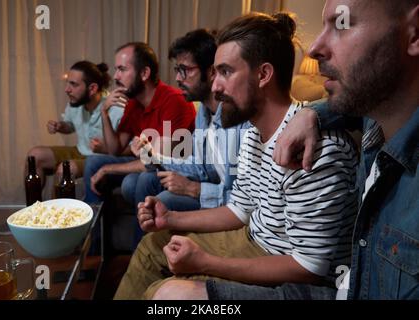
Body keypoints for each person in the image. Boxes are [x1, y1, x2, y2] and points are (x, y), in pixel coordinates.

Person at [114, 12, 359, 300]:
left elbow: (309, 268)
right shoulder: (253, 134)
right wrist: (170, 218)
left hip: (290, 269)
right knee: (152, 245)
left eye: (226, 72)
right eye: (215, 73)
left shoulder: (315, 150)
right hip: (253, 238)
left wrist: (204, 264)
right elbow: (239, 210)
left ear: (263, 75)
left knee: (164, 293)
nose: (215, 87)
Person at [270, 0, 419, 300]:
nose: (313, 48)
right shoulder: (373, 115)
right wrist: (310, 113)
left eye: (342, 24)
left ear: (414, 34)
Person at [125, 29, 251, 246]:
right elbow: (201, 166)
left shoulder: (238, 120)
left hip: (230, 206)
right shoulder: (203, 113)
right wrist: (154, 157)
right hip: (215, 189)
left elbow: (245, 199)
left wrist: (194, 189)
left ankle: (150, 252)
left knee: (164, 200)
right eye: (177, 69)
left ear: (211, 72)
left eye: (185, 70)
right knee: (147, 180)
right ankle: (142, 248)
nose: (177, 78)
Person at [83, 42, 196, 204]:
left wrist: (108, 169)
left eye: (122, 69)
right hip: (149, 162)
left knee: (133, 183)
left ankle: (144, 229)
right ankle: (93, 224)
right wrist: (104, 112)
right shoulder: (133, 103)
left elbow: (161, 159)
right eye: (116, 70)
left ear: (144, 73)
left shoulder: (174, 101)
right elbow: (115, 149)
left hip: (173, 167)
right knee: (93, 162)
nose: (115, 77)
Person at [26, 61, 123, 189]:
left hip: (100, 158)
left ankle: (58, 209)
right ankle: (34, 208)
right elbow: (70, 126)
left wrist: (105, 148)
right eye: (67, 83)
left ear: (92, 88)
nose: (67, 89)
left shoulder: (117, 108)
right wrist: (61, 126)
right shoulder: (76, 102)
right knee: (34, 155)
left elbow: (130, 149)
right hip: (79, 150)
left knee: (65, 169)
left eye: (73, 84)